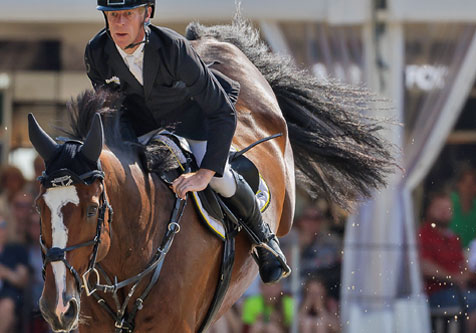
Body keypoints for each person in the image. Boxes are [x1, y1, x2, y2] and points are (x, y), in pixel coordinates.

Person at [85, 0, 289, 283]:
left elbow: (221, 111)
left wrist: (205, 173)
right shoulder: (96, 52)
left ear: (147, 13)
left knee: (221, 179)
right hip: (142, 127)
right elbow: (112, 110)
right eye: (113, 15)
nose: (119, 23)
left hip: (193, 119)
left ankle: (263, 239)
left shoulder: (174, 48)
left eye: (128, 14)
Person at [419, 191, 476, 331]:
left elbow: (463, 266)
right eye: (440, 209)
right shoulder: (423, 235)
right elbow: (423, 266)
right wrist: (454, 278)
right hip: (433, 294)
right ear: (429, 210)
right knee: (473, 301)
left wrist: (466, 276)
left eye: (448, 209)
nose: (444, 213)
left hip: (457, 292)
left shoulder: (454, 238)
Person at [296, 206, 342, 299]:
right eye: (307, 218)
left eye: (316, 218)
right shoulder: (291, 238)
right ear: (301, 221)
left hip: (325, 290)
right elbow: (289, 265)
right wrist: (302, 244)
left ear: (321, 221)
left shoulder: (332, 241)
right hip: (298, 287)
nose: (311, 222)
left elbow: (340, 262)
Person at [449, 167, 476, 248]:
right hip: (448, 253)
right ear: (458, 184)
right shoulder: (448, 202)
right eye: (466, 183)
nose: (469, 188)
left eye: (473, 184)